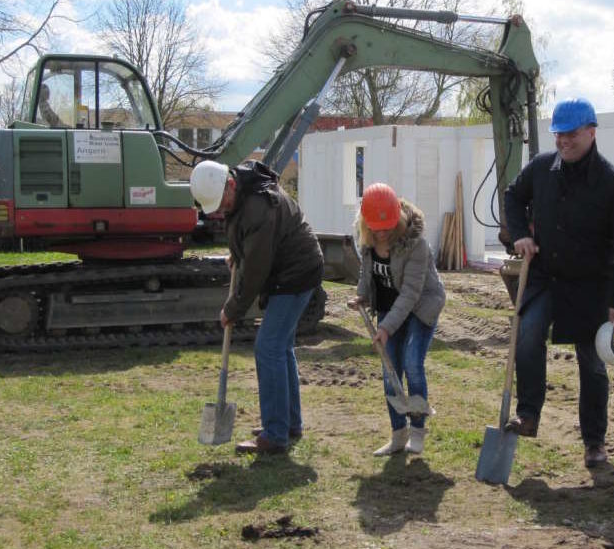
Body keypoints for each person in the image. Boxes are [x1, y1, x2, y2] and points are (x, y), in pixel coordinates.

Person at [503, 97, 614, 468]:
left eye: (571, 135)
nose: (563, 142)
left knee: (592, 363)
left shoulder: (613, 184)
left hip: (592, 285)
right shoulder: (541, 168)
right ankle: (528, 414)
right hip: (546, 276)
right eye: (558, 135)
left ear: (591, 132)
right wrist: (519, 234)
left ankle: (594, 441)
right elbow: (513, 197)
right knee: (528, 335)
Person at [190, 159, 324, 455]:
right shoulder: (242, 194)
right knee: (280, 346)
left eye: (221, 203)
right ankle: (288, 423)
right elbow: (248, 240)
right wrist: (238, 253)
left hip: (296, 273)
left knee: (268, 347)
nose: (221, 210)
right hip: (290, 270)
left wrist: (232, 309)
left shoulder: (259, 206)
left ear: (231, 184)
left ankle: (275, 435)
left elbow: (256, 272)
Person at [348, 183, 445, 456]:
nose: (382, 233)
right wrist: (362, 297)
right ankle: (398, 435)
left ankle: (417, 432)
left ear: (398, 219)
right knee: (390, 375)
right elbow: (368, 276)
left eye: (388, 227)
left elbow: (411, 294)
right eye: (376, 228)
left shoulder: (416, 245)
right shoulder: (367, 243)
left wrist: (387, 328)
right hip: (390, 311)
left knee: (413, 363)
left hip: (419, 307)